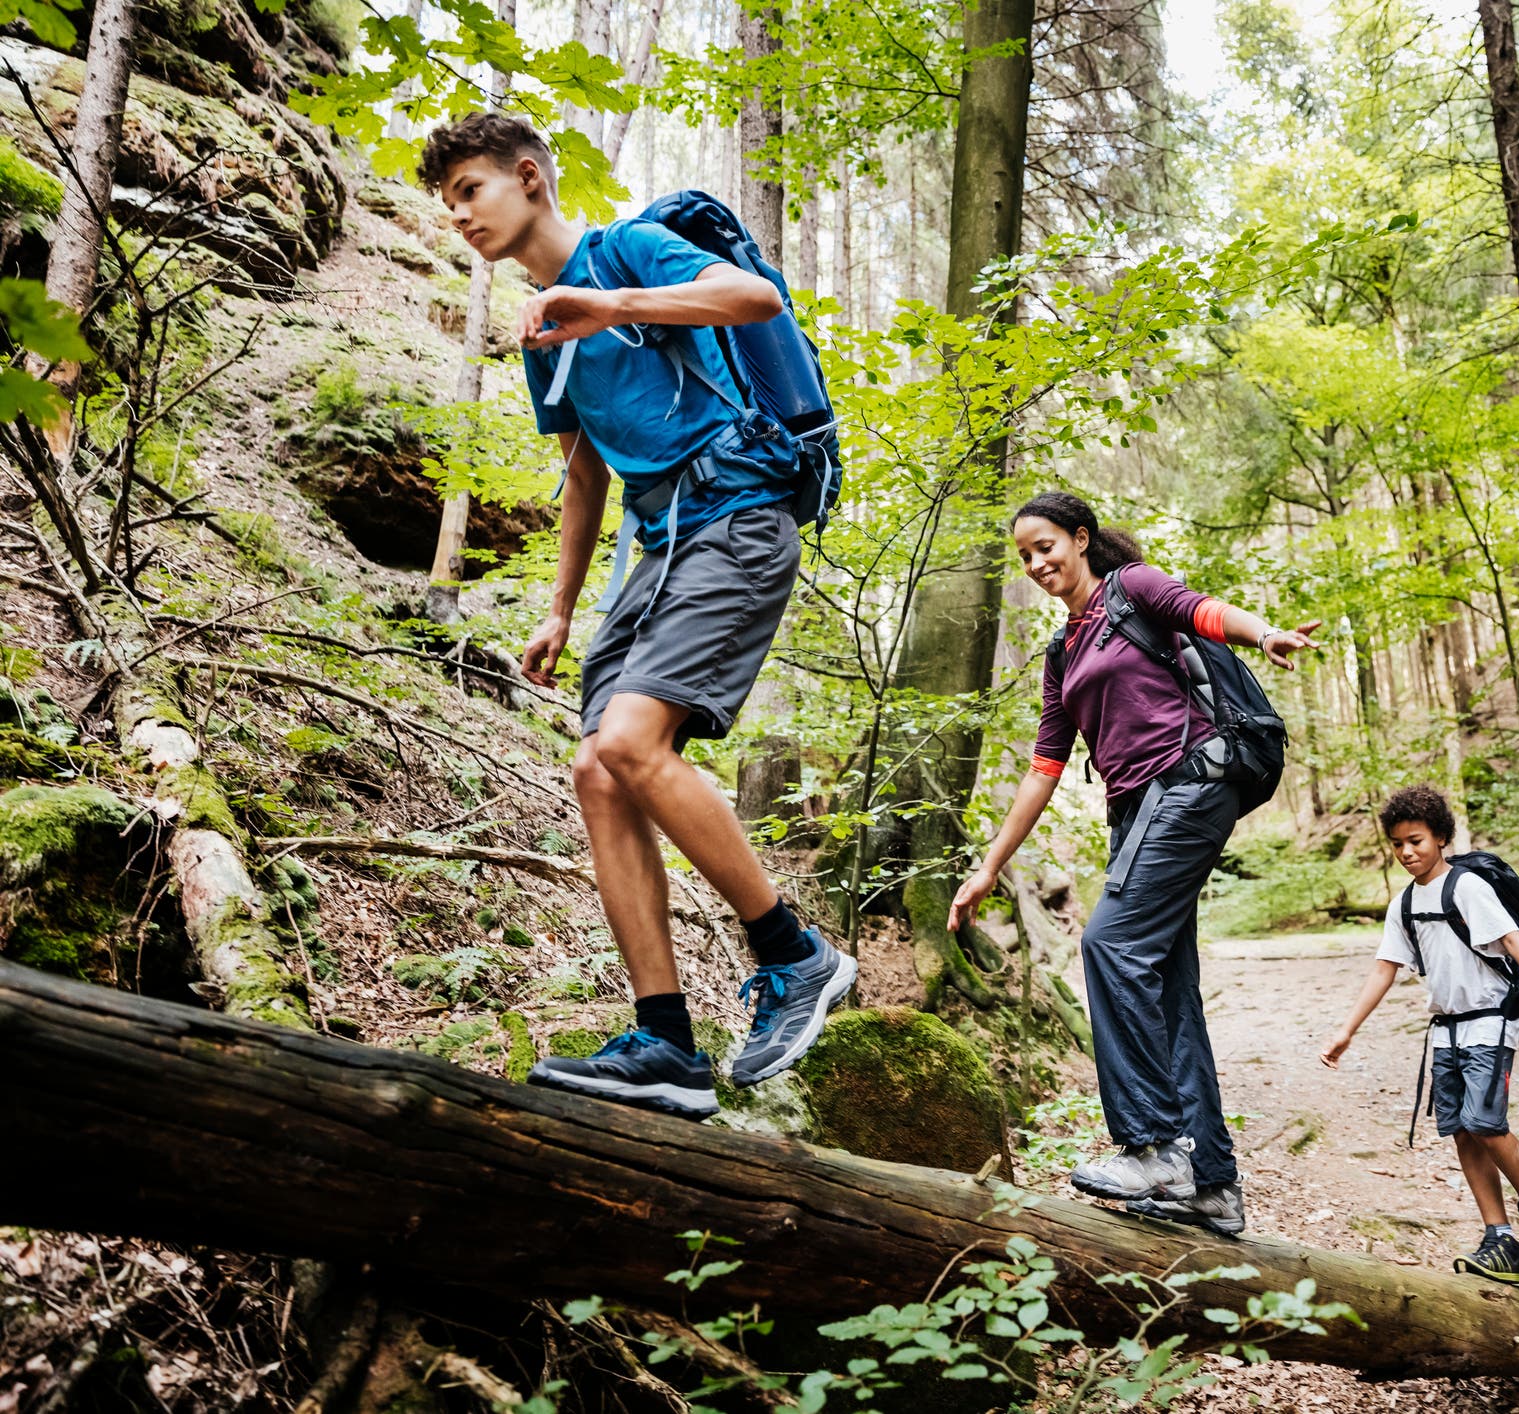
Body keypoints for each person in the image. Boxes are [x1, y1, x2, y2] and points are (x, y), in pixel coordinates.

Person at [416, 113, 856, 1121]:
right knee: (596, 768)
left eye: (471, 191)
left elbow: (755, 297)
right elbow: (584, 475)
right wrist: (562, 609)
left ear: (530, 178)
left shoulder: (624, 253)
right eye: (448, 204)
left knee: (632, 739)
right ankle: (664, 1041)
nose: (459, 216)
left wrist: (606, 300)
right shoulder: (540, 329)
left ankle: (797, 957)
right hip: (657, 553)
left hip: (739, 516)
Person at [948, 492, 1320, 1236]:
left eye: (1046, 545)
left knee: (1109, 944)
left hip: (1190, 779)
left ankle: (1152, 1149)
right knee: (1167, 986)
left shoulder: (1132, 589)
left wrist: (1264, 631)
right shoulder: (1062, 652)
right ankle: (1212, 1185)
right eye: (1024, 556)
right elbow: (1043, 769)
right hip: (1135, 814)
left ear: (1080, 539)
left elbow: (1203, 610)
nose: (1036, 563)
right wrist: (989, 865)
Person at [1320, 785, 1519, 1283]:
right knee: (1462, 1129)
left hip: (1489, 1019)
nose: (1406, 852)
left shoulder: (1466, 887)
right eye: (1397, 844)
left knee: (1486, 1122)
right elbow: (1384, 969)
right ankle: (1498, 1237)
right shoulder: (1402, 905)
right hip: (1445, 1029)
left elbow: (1513, 939)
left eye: (1415, 840)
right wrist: (1345, 1031)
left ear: (1441, 837)